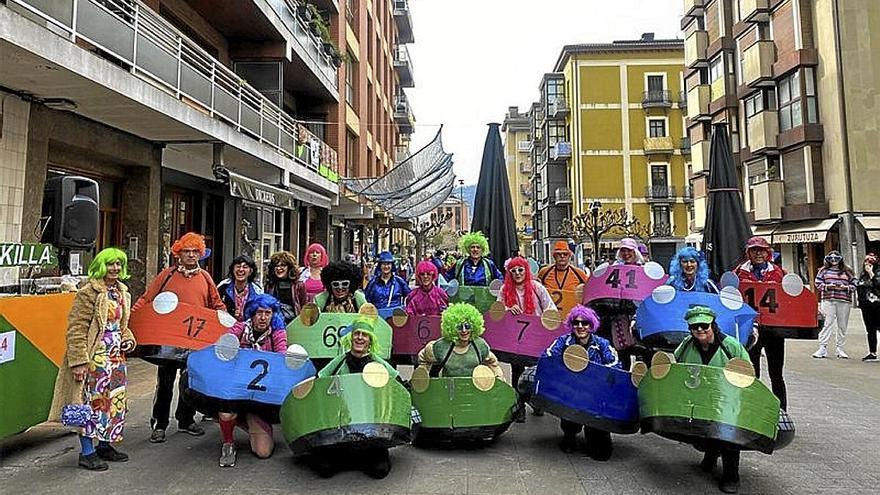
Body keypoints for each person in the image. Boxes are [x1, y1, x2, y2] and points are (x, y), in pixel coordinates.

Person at [49, 248, 136, 471]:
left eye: (118, 264)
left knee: (114, 404)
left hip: (116, 359)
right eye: (110, 264)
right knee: (91, 404)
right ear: (101, 266)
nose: (115, 268)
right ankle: (87, 452)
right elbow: (76, 329)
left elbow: (123, 326)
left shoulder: (121, 292)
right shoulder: (89, 293)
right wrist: (78, 362)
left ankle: (105, 444)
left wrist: (128, 339)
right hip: (94, 359)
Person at [133, 232, 225, 443]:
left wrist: (226, 319)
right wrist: (132, 318)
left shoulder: (206, 278)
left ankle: (185, 420)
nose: (191, 255)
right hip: (167, 340)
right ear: (178, 254)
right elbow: (147, 299)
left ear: (200, 254)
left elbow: (216, 304)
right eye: (187, 251)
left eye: (195, 251)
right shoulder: (166, 275)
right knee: (164, 383)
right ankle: (160, 424)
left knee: (189, 381)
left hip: (194, 342)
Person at [674, 306, 751, 494]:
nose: (700, 330)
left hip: (728, 399)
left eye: (704, 325)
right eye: (695, 327)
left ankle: (731, 475)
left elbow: (748, 373)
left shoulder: (730, 345)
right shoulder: (686, 345)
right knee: (700, 433)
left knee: (729, 434)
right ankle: (710, 454)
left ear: (713, 326)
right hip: (699, 397)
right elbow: (679, 367)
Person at [313, 318, 399, 479]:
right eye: (356, 333)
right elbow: (319, 380)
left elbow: (397, 385)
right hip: (341, 421)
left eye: (364, 335)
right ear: (351, 337)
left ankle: (362, 455)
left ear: (370, 340)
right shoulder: (339, 361)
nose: (360, 337)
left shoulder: (378, 363)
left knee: (380, 470)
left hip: (370, 424)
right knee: (324, 469)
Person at [217, 294, 288, 467]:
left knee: (263, 452)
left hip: (260, 397)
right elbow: (223, 345)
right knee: (225, 412)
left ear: (273, 314)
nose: (263, 318)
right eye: (259, 313)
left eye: (268, 313)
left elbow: (281, 354)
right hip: (237, 389)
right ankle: (228, 442)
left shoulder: (277, 332)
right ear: (252, 314)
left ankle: (249, 421)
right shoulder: (240, 327)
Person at [544, 305, 619, 459]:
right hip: (570, 391)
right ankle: (569, 435)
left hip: (595, 393)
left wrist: (596, 375)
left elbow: (615, 363)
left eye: (584, 323)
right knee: (569, 420)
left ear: (591, 325)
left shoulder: (602, 343)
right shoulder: (563, 341)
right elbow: (548, 356)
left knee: (602, 453)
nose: (580, 326)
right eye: (576, 323)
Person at [732, 236, 787, 410]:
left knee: (776, 373)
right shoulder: (738, 272)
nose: (758, 253)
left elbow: (789, 298)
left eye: (761, 250)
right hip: (749, 329)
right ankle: (752, 410)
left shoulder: (779, 273)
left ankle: (781, 411)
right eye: (754, 250)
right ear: (748, 252)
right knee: (751, 373)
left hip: (774, 329)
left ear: (768, 252)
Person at [418, 303, 503, 378]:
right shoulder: (441, 347)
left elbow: (493, 363)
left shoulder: (480, 345)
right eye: (459, 327)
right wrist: (423, 374)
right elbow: (423, 357)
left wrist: (499, 378)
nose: (464, 330)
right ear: (452, 328)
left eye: (467, 326)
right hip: (449, 390)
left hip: (474, 391)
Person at [812, 250, 857, 359]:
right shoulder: (823, 270)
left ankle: (840, 348)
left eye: (836, 258)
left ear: (840, 259)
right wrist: (827, 286)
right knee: (827, 323)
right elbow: (817, 282)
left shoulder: (847, 271)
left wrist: (846, 288)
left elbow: (855, 283)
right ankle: (822, 348)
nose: (833, 261)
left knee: (842, 325)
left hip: (844, 300)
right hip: (828, 299)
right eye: (831, 258)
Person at [263, 251, 307, 324]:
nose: (279, 268)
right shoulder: (269, 285)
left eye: (282, 265)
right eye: (276, 266)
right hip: (274, 323)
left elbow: (304, 307)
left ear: (289, 267)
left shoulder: (299, 285)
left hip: (294, 322)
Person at [216, 254, 263, 321]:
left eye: (245, 267)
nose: (241, 270)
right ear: (233, 270)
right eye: (238, 266)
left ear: (250, 271)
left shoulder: (257, 291)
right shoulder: (223, 286)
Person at [857, 253, 880, 362]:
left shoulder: (878, 273)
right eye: (866, 262)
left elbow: (878, 285)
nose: (867, 265)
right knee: (870, 330)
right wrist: (860, 303)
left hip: (878, 305)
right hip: (866, 307)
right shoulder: (862, 276)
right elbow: (860, 288)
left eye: (870, 263)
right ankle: (872, 352)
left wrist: (871, 273)